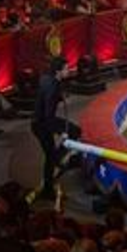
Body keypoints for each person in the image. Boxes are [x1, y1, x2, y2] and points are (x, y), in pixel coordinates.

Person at [31, 55, 80, 200]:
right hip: (41, 124)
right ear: (58, 71)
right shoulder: (52, 87)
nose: (68, 71)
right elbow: (48, 115)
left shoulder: (48, 79)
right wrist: (60, 132)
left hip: (43, 120)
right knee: (50, 156)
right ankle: (47, 189)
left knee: (75, 131)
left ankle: (58, 159)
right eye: (66, 69)